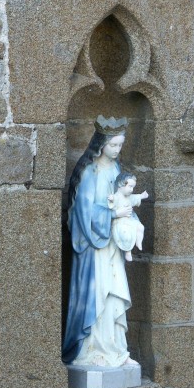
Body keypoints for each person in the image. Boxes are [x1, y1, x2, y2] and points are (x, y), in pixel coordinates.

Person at [62, 115, 139, 367]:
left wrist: (128, 219)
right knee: (99, 295)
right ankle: (92, 349)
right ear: (101, 144)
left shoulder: (117, 170)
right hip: (94, 249)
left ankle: (115, 346)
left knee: (114, 296)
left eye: (120, 145)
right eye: (113, 145)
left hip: (112, 246)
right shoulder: (89, 171)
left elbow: (123, 198)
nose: (117, 150)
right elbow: (82, 213)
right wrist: (112, 214)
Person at [108, 172, 148, 262]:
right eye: (130, 186)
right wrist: (111, 199)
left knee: (141, 227)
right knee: (126, 236)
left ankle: (138, 242)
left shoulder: (129, 197)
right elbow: (112, 203)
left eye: (133, 187)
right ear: (120, 184)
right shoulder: (117, 197)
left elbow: (135, 198)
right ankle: (128, 252)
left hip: (130, 220)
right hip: (120, 222)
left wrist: (142, 196)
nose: (131, 190)